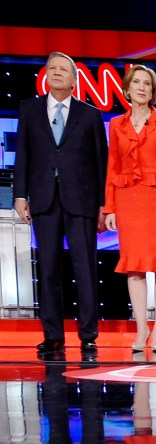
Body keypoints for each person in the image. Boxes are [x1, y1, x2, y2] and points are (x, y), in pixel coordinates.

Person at [13, 52, 107, 355]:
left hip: (81, 200)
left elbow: (100, 162)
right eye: (51, 68)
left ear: (74, 79)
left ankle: (88, 333)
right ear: (45, 75)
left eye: (63, 69)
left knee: (85, 268)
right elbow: (23, 156)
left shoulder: (90, 114)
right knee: (49, 269)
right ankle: (52, 334)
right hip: (44, 199)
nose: (56, 73)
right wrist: (19, 194)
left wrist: (105, 204)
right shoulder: (29, 110)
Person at [103, 65, 156, 353]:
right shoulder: (115, 124)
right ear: (127, 89)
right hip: (128, 201)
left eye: (147, 84)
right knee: (134, 269)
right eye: (136, 82)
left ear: (153, 91)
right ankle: (140, 330)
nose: (141, 87)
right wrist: (109, 207)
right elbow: (112, 166)